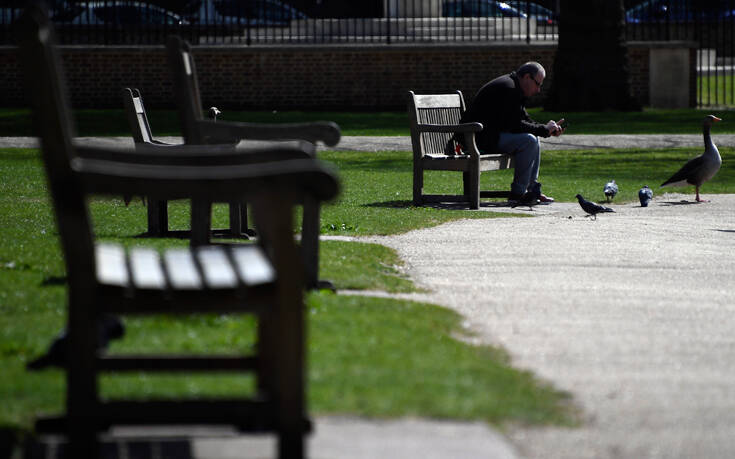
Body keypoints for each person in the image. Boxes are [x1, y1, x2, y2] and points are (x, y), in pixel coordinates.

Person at [460, 61, 564, 203]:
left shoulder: (514, 87)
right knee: (529, 141)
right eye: (538, 84)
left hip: (489, 136)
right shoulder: (508, 88)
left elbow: (523, 119)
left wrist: (546, 129)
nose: (538, 89)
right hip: (478, 138)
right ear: (527, 77)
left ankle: (532, 190)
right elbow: (514, 125)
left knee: (533, 138)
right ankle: (518, 194)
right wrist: (543, 130)